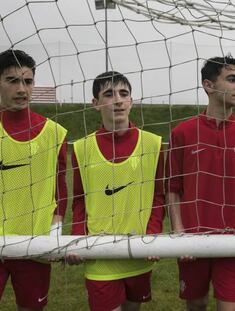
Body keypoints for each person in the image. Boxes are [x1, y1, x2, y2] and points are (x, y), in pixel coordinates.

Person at [165, 55, 235, 311]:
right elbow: (173, 189)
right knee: (196, 304)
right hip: (193, 240)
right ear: (208, 85)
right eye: (231, 79)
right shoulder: (182, 133)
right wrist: (179, 233)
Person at [0, 49, 68, 310]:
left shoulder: (54, 133)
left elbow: (61, 193)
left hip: (33, 249)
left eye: (28, 81)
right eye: (13, 80)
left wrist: (54, 238)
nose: (22, 88)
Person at [67, 71, 165, 311]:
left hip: (139, 253)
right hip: (99, 255)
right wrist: (77, 238)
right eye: (109, 94)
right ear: (96, 104)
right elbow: (78, 200)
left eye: (124, 93)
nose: (118, 100)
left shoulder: (153, 144)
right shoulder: (82, 148)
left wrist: (151, 235)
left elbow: (159, 196)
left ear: (131, 101)